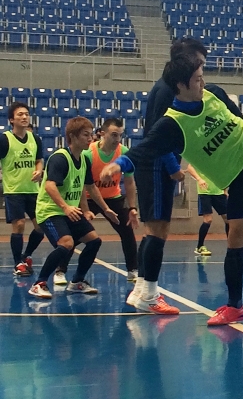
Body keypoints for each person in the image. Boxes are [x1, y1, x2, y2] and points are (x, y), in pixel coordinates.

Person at [100, 51, 243, 324]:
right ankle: (234, 306)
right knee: (236, 237)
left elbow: (240, 120)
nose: (203, 83)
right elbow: (145, 149)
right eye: (197, 79)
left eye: (203, 77)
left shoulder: (214, 92)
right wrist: (119, 164)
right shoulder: (171, 125)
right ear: (180, 85)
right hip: (239, 177)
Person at [128, 38, 243, 315]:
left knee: (152, 230)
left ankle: (142, 289)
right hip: (155, 165)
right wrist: (172, 166)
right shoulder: (166, 90)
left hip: (155, 165)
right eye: (199, 62)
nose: (202, 68)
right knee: (158, 230)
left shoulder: (171, 87)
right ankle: (149, 294)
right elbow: (155, 136)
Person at [28, 116, 119, 299]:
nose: (90, 138)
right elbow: (49, 186)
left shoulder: (84, 160)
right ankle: (39, 283)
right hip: (50, 210)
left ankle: (77, 281)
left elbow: (89, 187)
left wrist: (102, 209)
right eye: (86, 134)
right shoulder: (60, 158)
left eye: (91, 134)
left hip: (69, 210)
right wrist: (66, 207)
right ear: (73, 136)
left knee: (94, 241)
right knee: (66, 244)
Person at [53, 118, 140, 284]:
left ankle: (133, 270)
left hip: (113, 197)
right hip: (87, 198)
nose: (117, 139)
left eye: (120, 135)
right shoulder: (88, 153)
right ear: (102, 134)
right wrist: (84, 209)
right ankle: (60, 270)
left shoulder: (124, 152)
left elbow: (129, 182)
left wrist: (132, 207)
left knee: (127, 232)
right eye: (114, 135)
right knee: (76, 235)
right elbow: (83, 185)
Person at [0, 102, 46, 277]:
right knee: (19, 225)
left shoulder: (35, 139)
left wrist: (39, 170)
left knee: (41, 227)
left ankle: (26, 255)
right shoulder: (4, 140)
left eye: (26, 114)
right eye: (20, 114)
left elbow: (39, 160)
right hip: (14, 190)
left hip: (33, 190)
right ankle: (17, 263)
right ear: (12, 119)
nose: (24, 117)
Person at [185, 163, 228, 256]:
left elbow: (223, 173)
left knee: (228, 219)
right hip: (204, 192)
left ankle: (231, 245)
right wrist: (199, 179)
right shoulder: (201, 154)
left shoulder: (219, 157)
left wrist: (224, 189)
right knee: (208, 220)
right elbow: (190, 167)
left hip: (219, 192)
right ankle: (200, 246)